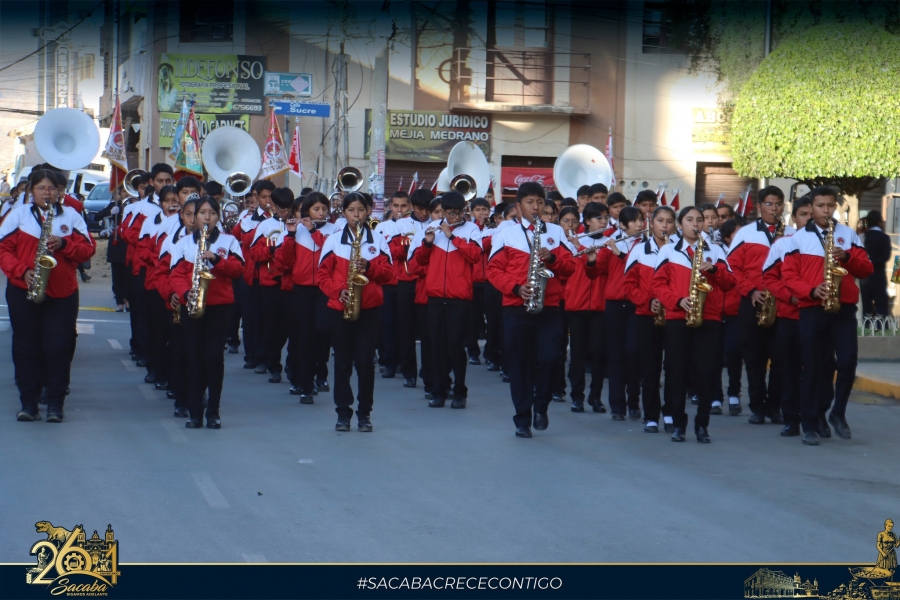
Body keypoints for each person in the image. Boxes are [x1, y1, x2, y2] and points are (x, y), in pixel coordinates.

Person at [0, 170, 95, 422]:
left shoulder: (71, 216)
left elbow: (88, 250)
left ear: (59, 191)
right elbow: (3, 249)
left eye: (52, 188)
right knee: (26, 347)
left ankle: (55, 404)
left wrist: (65, 245)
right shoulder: (18, 216)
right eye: (41, 188)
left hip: (62, 293)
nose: (47, 193)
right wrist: (22, 271)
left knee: (59, 347)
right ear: (31, 191)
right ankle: (28, 403)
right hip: (23, 289)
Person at [781, 187, 873, 445]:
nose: (825, 210)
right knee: (813, 365)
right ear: (811, 208)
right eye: (820, 206)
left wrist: (848, 256)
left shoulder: (848, 235)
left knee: (847, 360)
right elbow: (788, 276)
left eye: (830, 205)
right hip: (813, 308)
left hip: (842, 309)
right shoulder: (798, 239)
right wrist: (811, 290)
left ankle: (838, 412)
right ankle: (809, 422)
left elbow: (866, 268)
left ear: (835, 206)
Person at [486, 181, 576, 438]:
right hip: (516, 307)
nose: (535, 207)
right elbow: (493, 271)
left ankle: (541, 405)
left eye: (539, 202)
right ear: (518, 206)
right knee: (519, 364)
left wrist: (554, 259)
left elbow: (571, 268)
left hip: (548, 307)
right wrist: (515, 288)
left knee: (550, 358)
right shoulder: (506, 233)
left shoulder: (557, 232)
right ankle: (522, 418)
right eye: (529, 202)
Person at [652, 206, 735, 443]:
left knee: (707, 373)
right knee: (677, 372)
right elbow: (658, 285)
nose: (696, 224)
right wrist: (677, 301)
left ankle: (702, 424)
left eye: (699, 220)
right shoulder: (669, 250)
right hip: (678, 319)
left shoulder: (716, 251)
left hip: (709, 319)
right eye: (690, 220)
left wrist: (715, 270)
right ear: (680, 225)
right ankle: (679, 423)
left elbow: (730, 283)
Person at [317, 192, 393, 432]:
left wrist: (369, 267)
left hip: (370, 310)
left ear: (368, 211)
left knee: (365, 363)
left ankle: (364, 413)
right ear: (344, 213)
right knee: (342, 363)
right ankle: (342, 413)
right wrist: (338, 291)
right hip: (341, 308)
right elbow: (321, 276)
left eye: (361, 210)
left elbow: (391, 274)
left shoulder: (378, 240)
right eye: (351, 211)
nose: (357, 215)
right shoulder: (333, 241)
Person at [169, 197, 244, 429]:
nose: (207, 218)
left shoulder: (229, 241)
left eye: (212, 213)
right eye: (202, 213)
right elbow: (175, 275)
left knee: (213, 358)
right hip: (192, 305)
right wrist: (185, 293)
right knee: (193, 359)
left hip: (220, 307)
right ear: (194, 217)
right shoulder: (183, 244)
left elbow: (239, 270)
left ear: (218, 216)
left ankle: (213, 410)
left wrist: (217, 259)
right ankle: (194, 412)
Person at [407, 191, 483, 408]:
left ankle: (460, 391)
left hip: (460, 297)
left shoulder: (472, 230)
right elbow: (415, 264)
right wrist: (428, 244)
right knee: (437, 346)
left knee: (455, 346)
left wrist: (452, 237)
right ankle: (438, 390)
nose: (453, 216)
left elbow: (475, 256)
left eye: (458, 212)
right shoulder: (430, 228)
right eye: (449, 213)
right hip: (435, 297)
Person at [727, 186, 794, 425]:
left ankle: (774, 407)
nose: (774, 209)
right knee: (754, 357)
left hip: (782, 302)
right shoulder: (745, 233)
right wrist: (750, 290)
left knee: (780, 358)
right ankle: (757, 407)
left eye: (778, 204)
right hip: (753, 300)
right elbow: (732, 267)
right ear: (759, 206)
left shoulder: (791, 234)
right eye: (769, 204)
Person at [275, 192, 338, 402]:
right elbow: (283, 262)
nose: (321, 213)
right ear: (306, 212)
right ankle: (305, 384)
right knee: (303, 337)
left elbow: (331, 252)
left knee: (323, 333)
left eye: (323, 208)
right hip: (301, 290)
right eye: (316, 209)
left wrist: (312, 230)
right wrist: (291, 235)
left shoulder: (334, 230)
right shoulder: (296, 230)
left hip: (324, 289)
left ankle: (321, 372)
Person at [762, 196, 812, 436]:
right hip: (790, 315)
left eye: (812, 214)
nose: (809, 219)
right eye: (804, 214)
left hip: (819, 316)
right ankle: (791, 418)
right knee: (789, 368)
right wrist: (789, 296)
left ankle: (816, 415)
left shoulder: (833, 244)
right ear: (795, 218)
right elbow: (769, 277)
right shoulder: (783, 243)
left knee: (817, 367)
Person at [624, 205, 675, 432]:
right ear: (651, 223)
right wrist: (648, 301)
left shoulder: (680, 250)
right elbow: (628, 286)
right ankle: (651, 415)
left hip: (675, 317)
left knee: (674, 367)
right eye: (660, 221)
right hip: (647, 316)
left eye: (669, 221)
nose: (664, 225)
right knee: (651, 368)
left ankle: (671, 413)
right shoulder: (638, 251)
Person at [595, 206, 645, 421]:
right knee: (615, 355)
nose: (640, 224)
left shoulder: (646, 246)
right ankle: (617, 406)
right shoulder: (612, 242)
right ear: (623, 225)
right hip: (615, 304)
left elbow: (638, 270)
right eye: (634, 221)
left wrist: (620, 253)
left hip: (637, 304)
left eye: (641, 220)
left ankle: (633, 400)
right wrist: (598, 253)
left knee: (634, 353)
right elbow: (598, 270)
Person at [564, 202, 609, 414]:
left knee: (599, 353)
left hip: (600, 305)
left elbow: (600, 269)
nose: (604, 221)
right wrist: (577, 246)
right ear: (588, 221)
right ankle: (577, 396)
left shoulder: (611, 242)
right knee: (578, 353)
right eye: (599, 218)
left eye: (606, 218)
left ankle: (596, 396)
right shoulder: (572, 241)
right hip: (577, 304)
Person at [249, 187, 294, 383]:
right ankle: (272, 364)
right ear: (273, 206)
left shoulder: (297, 224)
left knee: (290, 326)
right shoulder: (265, 226)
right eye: (282, 208)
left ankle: (293, 366)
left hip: (290, 281)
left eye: (288, 208)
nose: (286, 212)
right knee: (270, 325)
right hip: (270, 280)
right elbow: (254, 254)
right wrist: (274, 248)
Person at [392, 189, 433, 388]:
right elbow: (391, 250)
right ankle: (409, 372)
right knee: (406, 328)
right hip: (406, 281)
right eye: (419, 209)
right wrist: (407, 247)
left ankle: (428, 370)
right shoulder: (401, 225)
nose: (423, 213)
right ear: (412, 207)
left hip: (426, 281)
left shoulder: (436, 225)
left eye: (427, 209)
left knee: (427, 330)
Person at [240, 180, 276, 371]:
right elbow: (246, 240)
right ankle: (251, 355)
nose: (267, 201)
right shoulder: (248, 218)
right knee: (250, 317)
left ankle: (265, 357)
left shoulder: (279, 217)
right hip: (251, 273)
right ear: (256, 197)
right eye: (263, 197)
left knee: (267, 318)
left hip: (270, 274)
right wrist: (265, 226)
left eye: (271, 197)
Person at [374, 190, 409, 378]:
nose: (399, 210)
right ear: (390, 207)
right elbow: (384, 252)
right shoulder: (382, 227)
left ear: (409, 207)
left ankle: (404, 362)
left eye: (403, 206)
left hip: (406, 280)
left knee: (404, 325)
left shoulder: (413, 226)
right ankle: (387, 361)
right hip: (387, 281)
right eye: (396, 206)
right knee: (386, 324)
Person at [714, 218, 745, 417]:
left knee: (734, 352)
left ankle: (734, 392)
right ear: (726, 238)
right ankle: (715, 396)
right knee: (714, 356)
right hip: (714, 312)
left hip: (736, 312)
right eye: (737, 234)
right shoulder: (715, 252)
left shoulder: (744, 254)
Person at [465, 197, 492, 365]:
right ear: (472, 212)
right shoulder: (469, 229)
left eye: (484, 209)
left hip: (491, 281)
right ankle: (473, 351)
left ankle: (490, 353)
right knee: (473, 319)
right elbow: (477, 248)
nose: (481, 213)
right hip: (473, 280)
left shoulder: (495, 227)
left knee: (492, 319)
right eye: (478, 209)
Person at [861, 210, 891, 317]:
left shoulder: (863, 237)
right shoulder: (884, 238)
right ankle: (881, 327)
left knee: (866, 306)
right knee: (881, 306)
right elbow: (885, 256)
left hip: (864, 276)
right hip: (878, 275)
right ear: (880, 222)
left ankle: (867, 328)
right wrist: (873, 262)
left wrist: (867, 262)